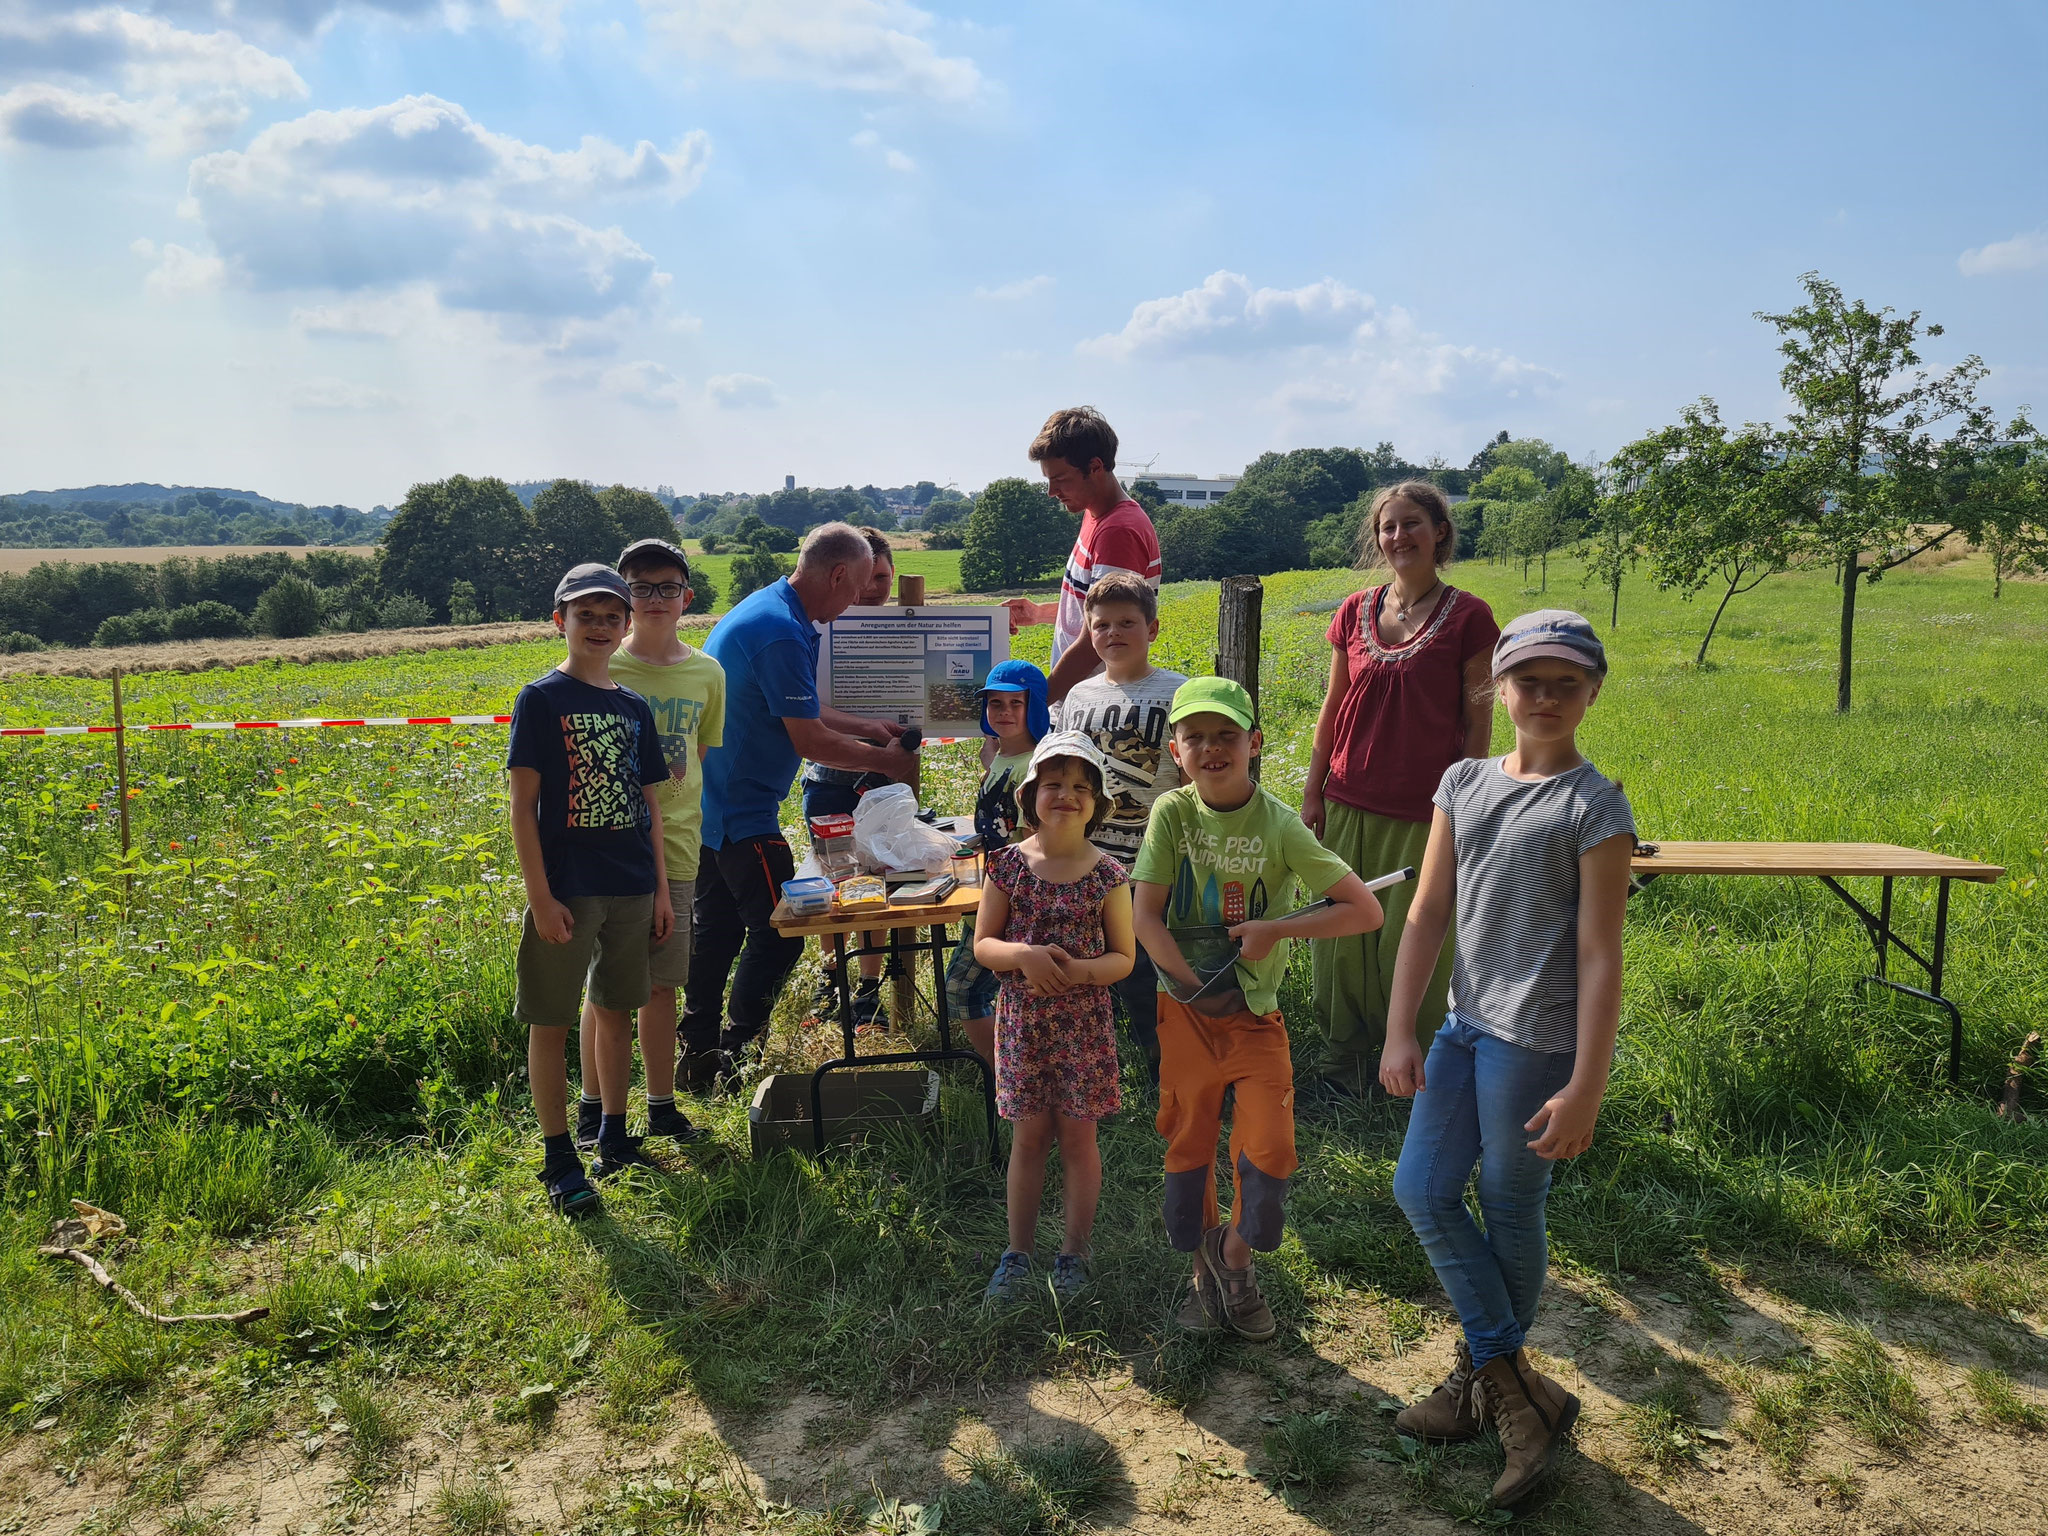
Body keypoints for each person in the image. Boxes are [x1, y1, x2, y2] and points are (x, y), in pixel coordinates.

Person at [1381, 610, 1633, 1510]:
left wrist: (1587, 1086)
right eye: (1530, 680)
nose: (1547, 697)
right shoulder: (1463, 781)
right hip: (1462, 1026)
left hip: (1540, 1040)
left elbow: (1602, 952)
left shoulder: (1594, 806)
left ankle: (1481, 1389)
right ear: (1501, 685)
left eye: (1568, 683)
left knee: (1512, 1201)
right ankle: (1515, 1389)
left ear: (1592, 692)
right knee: (1423, 1191)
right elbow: (1426, 910)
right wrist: (1400, 1028)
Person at [1131, 678, 1384, 1339]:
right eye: (1196, 738)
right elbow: (1146, 919)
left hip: (1254, 1016)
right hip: (1183, 1012)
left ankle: (1234, 1256)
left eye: (1226, 736)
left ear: (1255, 744)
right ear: (1176, 751)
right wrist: (1188, 985)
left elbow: (1365, 909)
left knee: (1269, 1152)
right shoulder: (1172, 815)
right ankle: (1202, 1269)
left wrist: (1278, 930)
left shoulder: (1279, 824)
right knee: (1188, 1144)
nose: (1211, 749)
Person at [682, 523, 919, 1084]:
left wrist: (866, 726)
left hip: (711, 805)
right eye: (858, 587)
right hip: (743, 811)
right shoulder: (781, 631)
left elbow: (803, 709)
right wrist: (886, 762)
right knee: (783, 928)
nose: (858, 600)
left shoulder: (775, 610)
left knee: (715, 932)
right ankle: (738, 1056)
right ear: (837, 575)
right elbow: (808, 740)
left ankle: (698, 1057)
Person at [1302, 481, 1499, 1101]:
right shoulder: (1355, 609)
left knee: (1408, 940)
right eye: (1388, 527)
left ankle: (1410, 1073)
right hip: (1345, 799)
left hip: (1423, 809)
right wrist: (1313, 792)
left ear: (1439, 531)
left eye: (1412, 524)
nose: (1398, 537)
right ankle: (1342, 1066)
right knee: (1340, 940)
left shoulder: (1469, 616)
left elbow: (1479, 719)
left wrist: (1465, 803)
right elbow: (1333, 705)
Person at [506, 563, 675, 1217]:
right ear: (561, 622)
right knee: (550, 1021)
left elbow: (650, 806)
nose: (600, 627)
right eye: (586, 616)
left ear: (626, 624)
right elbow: (524, 807)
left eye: (611, 617)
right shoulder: (540, 700)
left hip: (632, 888)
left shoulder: (633, 707)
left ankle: (612, 1132)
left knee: (616, 1014)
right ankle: (558, 1158)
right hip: (568, 892)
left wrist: (660, 891)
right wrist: (541, 896)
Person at [571, 538, 725, 1152]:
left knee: (664, 985)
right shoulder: (603, 663)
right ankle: (593, 1105)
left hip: (680, 851)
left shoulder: (707, 673)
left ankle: (660, 1105)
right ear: (624, 601)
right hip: (605, 855)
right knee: (604, 990)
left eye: (667, 587)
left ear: (686, 597)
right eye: (640, 587)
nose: (654, 598)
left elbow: (698, 757)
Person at [973, 731, 1135, 1303]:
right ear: (1030, 795)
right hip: (1023, 1027)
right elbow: (983, 946)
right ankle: (1017, 1253)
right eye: (1054, 785)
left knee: (1078, 1139)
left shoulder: (1108, 875)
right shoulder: (1007, 866)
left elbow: (1124, 958)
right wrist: (1025, 957)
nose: (1066, 796)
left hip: (1083, 1030)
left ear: (1096, 804)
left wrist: (1079, 972)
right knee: (1028, 1139)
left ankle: (1074, 1252)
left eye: (1080, 788)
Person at [1051, 571, 1186, 1082]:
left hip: (1155, 859)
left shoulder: (1178, 691)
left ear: (1151, 628)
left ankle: (1166, 1070)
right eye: (1102, 624)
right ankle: (1100, 1068)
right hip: (1092, 858)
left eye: (1127, 622)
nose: (1114, 633)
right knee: (1096, 963)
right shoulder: (1077, 699)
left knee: (1150, 971)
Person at [798, 526, 900, 1024]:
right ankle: (831, 984)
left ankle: (869, 989)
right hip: (829, 778)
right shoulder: (815, 626)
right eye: (867, 578)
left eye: (882, 577)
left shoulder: (906, 626)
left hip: (882, 783)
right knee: (833, 881)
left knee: (876, 878)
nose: (873, 589)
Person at [1003, 407, 1162, 705]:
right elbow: (1092, 609)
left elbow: (1097, 639)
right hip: (1083, 699)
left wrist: (1035, 705)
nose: (1052, 491)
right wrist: (1040, 613)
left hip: (1095, 705)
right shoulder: (1096, 514)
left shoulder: (1118, 532)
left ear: (1095, 466)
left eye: (1061, 479)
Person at [945, 658, 1049, 1068]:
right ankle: (1016, 1070)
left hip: (1015, 903)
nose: (1003, 713)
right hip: (994, 893)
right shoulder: (1004, 760)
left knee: (963, 989)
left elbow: (1032, 847)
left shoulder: (1034, 769)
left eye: (1015, 704)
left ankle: (1004, 1072)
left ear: (1035, 707)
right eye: (994, 704)